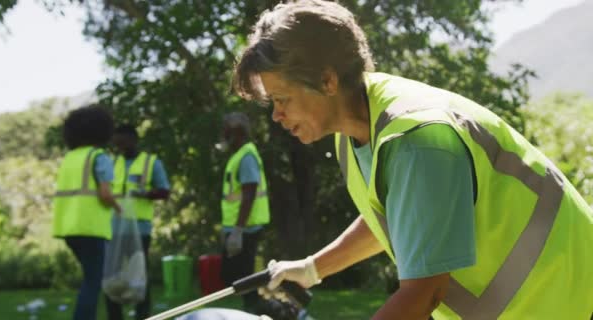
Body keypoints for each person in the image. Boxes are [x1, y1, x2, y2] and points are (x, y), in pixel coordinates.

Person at [231, 1, 593, 319]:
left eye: (282, 98)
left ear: (327, 81)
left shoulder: (414, 139)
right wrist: (312, 269)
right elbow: (402, 215)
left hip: (569, 301)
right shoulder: (355, 130)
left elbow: (424, 293)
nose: (276, 116)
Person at [52, 105, 121, 320]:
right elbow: (105, 194)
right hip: (91, 227)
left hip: (69, 228)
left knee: (90, 279)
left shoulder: (70, 158)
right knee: (93, 281)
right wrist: (119, 208)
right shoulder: (98, 157)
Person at [106, 124, 170, 320]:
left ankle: (142, 314)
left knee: (139, 274)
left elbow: (164, 191)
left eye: (123, 143)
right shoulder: (113, 163)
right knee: (112, 274)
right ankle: (115, 315)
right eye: (117, 145)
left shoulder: (150, 162)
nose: (121, 148)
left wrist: (145, 194)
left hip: (139, 229)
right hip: (114, 228)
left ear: (134, 140)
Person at [218, 112, 271, 314]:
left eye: (226, 132)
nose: (223, 136)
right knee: (235, 278)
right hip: (239, 227)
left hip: (246, 229)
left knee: (245, 282)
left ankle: (264, 312)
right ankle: (256, 311)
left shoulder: (246, 156)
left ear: (236, 133)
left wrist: (238, 230)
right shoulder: (239, 155)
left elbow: (249, 193)